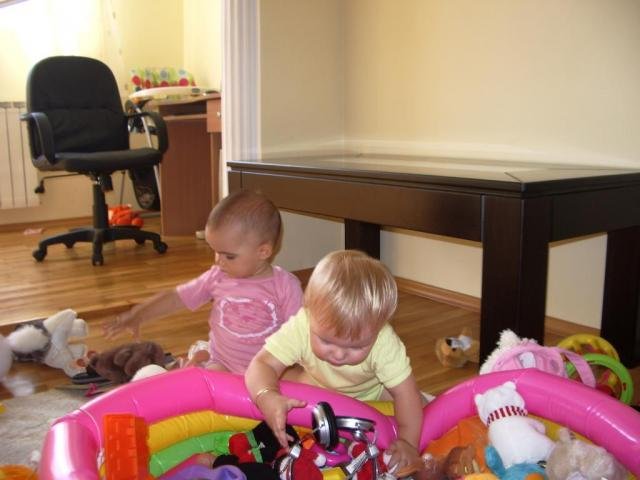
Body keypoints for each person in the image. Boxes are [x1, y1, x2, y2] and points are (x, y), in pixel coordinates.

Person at [245, 249, 424, 472]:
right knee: (275, 381)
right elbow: (261, 364)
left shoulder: (384, 341)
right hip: (315, 388)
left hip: (369, 395)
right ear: (309, 311)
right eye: (326, 340)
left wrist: (407, 442)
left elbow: (406, 394)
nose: (338, 355)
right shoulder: (303, 324)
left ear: (378, 329)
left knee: (417, 404)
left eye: (356, 346)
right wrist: (266, 395)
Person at [104, 190, 304, 374]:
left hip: (269, 370)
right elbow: (176, 298)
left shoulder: (285, 286)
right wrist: (138, 314)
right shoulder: (217, 276)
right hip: (224, 364)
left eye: (229, 256)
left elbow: (300, 335)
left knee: (298, 382)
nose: (218, 261)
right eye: (216, 252)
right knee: (199, 383)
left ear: (263, 251)